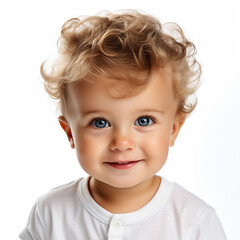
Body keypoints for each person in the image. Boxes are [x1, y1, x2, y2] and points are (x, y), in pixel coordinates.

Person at [19, 10, 227, 240]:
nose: (122, 143)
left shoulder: (194, 222)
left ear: (174, 129)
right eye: (100, 123)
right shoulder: (50, 213)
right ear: (69, 132)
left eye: (143, 121)